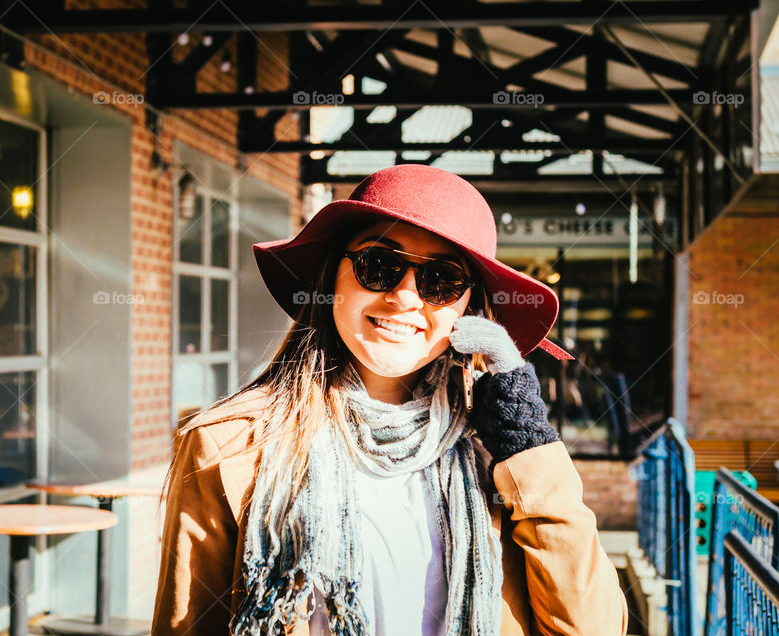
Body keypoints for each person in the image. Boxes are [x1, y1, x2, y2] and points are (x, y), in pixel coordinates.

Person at [152, 164, 628, 635]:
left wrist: (525, 439)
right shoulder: (228, 448)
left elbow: (593, 628)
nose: (405, 297)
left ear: (469, 308)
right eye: (378, 265)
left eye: (441, 280)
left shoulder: (498, 457)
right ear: (332, 277)